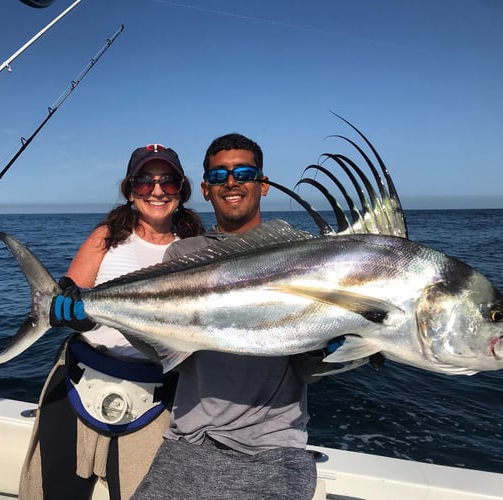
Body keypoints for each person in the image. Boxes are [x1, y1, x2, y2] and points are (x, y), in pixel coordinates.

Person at [132, 133, 332, 500]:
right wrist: (92, 313)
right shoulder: (183, 255)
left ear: (264, 184)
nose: (232, 182)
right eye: (219, 175)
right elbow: (167, 351)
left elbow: (307, 369)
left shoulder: (299, 253)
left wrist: (337, 347)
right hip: (186, 443)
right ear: (206, 189)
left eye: (243, 172)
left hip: (273, 451)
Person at [19, 143, 204, 500]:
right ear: (129, 190)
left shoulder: (196, 247)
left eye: (168, 182)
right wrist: (71, 314)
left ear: (181, 190)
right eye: (143, 182)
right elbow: (71, 291)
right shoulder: (107, 236)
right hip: (79, 377)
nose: (156, 191)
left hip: (156, 391)